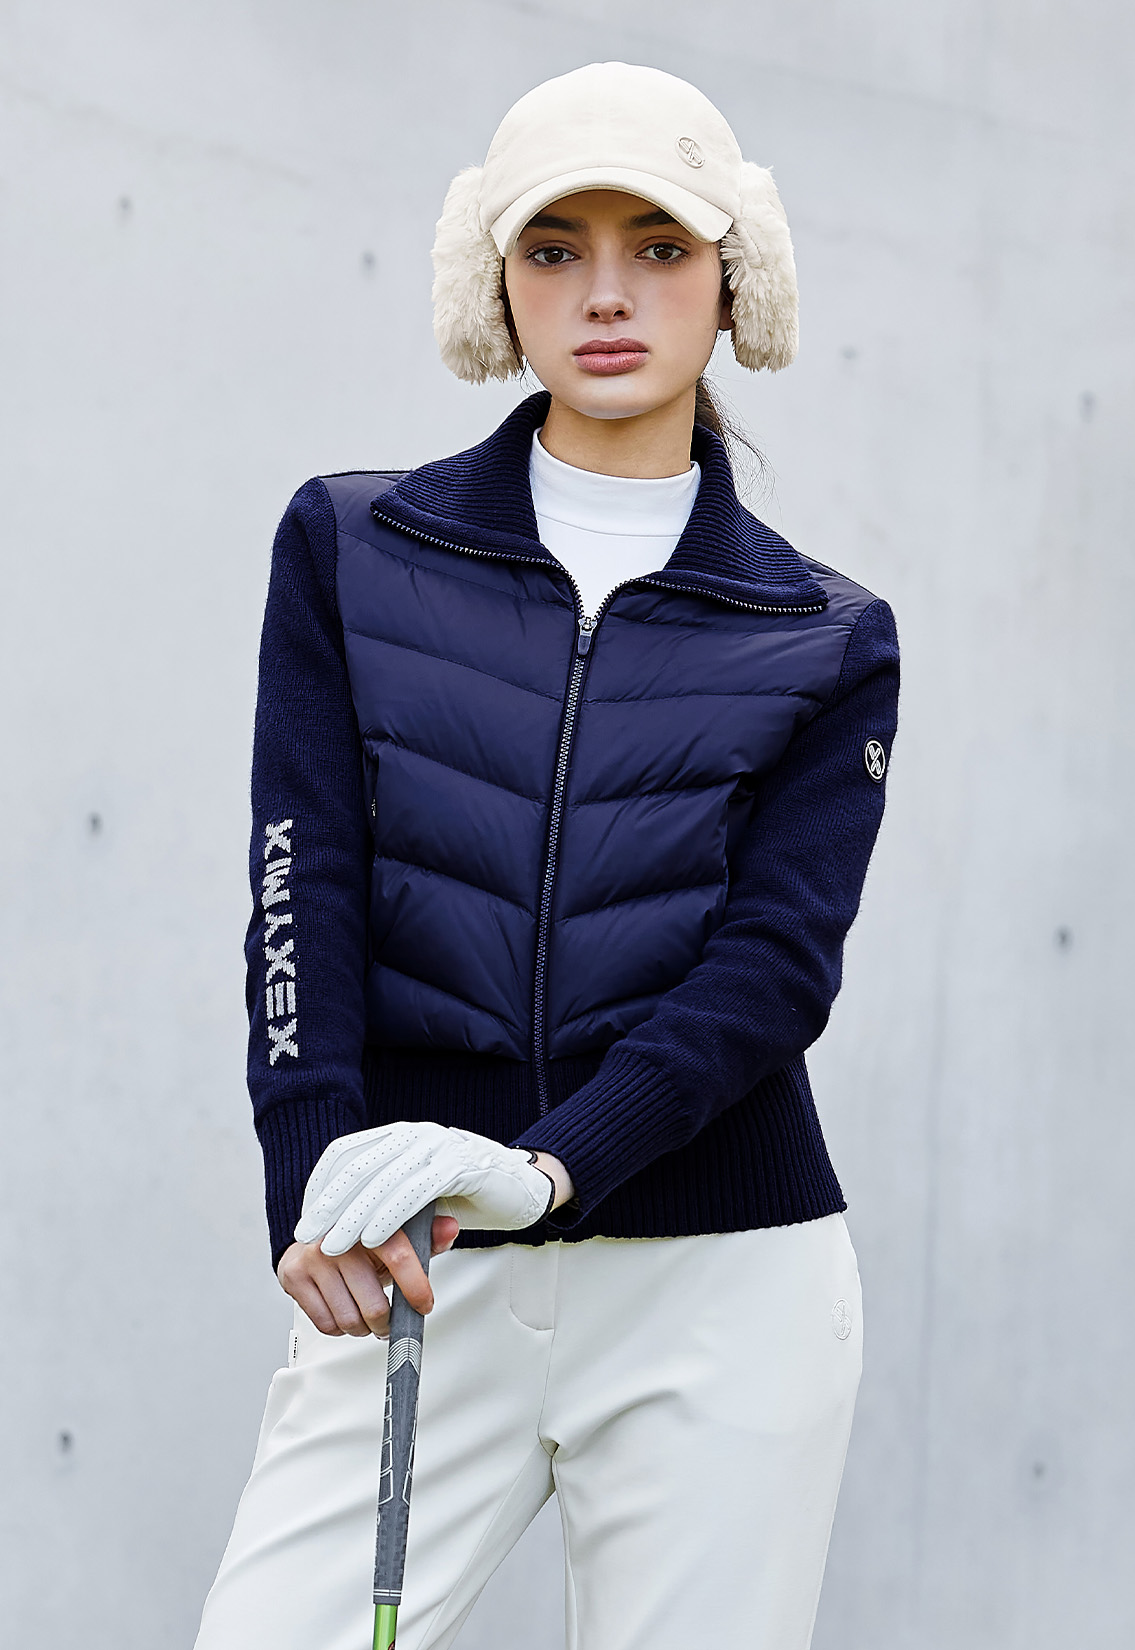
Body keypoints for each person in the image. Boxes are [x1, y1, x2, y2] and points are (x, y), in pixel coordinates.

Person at [193, 59, 900, 1650]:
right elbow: (300, 882)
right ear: (492, 279)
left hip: (722, 1283)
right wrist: (313, 1176)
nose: (606, 293)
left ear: (736, 279)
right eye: (554, 247)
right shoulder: (350, 548)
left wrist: (558, 1160)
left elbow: (773, 968)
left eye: (660, 246)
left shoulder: (826, 633)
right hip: (421, 1250)